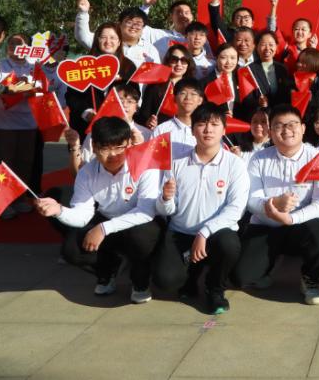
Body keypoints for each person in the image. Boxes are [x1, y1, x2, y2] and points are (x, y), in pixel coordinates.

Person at [33, 116, 161, 303]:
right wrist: (59, 210)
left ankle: (140, 279)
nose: (113, 155)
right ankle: (108, 269)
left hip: (138, 223)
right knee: (72, 250)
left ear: (129, 144)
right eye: (105, 148)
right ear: (93, 147)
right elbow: (82, 214)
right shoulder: (87, 172)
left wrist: (103, 228)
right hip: (107, 219)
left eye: (119, 147)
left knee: (141, 237)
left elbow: (145, 211)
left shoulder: (145, 166)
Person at [230, 105, 319, 305]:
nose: (286, 130)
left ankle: (310, 277)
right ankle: (267, 268)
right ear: (270, 132)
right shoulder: (259, 158)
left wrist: (291, 218)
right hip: (266, 225)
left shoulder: (316, 158)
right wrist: (273, 204)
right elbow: (251, 200)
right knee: (241, 278)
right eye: (279, 126)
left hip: (301, 224)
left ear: (303, 128)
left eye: (292, 124)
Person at [152, 104, 248, 314]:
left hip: (215, 235)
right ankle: (191, 275)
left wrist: (205, 232)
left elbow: (236, 209)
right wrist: (165, 198)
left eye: (214, 124)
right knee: (165, 281)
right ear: (192, 130)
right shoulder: (176, 162)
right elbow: (167, 209)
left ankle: (215, 289)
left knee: (229, 245)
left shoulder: (235, 165)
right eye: (202, 124)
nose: (208, 129)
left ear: (224, 130)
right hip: (181, 233)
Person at [0, 34, 42, 217]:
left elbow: (42, 88)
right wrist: (19, 88)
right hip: (3, 123)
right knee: (2, 165)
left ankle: (18, 199)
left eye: (20, 43)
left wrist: (32, 89)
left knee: (24, 164)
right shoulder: (0, 65)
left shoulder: (34, 67)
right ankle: (0, 204)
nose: (15, 46)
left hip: (28, 123)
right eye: (11, 43)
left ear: (28, 47)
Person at [64, 21, 136, 133]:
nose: (108, 42)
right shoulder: (83, 64)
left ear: (119, 42)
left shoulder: (128, 66)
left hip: (117, 126)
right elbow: (72, 96)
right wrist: (87, 112)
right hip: (86, 126)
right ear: (97, 40)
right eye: (103, 37)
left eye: (113, 38)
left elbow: (135, 93)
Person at [65, 82, 149, 174]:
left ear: (136, 107)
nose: (124, 104)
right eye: (119, 100)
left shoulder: (146, 134)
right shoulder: (96, 132)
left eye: (129, 101)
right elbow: (78, 171)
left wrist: (139, 146)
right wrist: (75, 146)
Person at [75, 0, 161, 67]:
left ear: (143, 27)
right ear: (119, 24)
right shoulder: (108, 42)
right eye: (129, 22)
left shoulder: (150, 49)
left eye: (138, 24)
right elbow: (83, 37)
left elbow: (157, 74)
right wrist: (83, 13)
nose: (133, 26)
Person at [136, 43, 195, 128]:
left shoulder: (193, 87)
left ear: (188, 64)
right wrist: (148, 122)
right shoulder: (155, 86)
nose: (179, 64)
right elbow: (143, 116)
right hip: (159, 132)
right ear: (167, 62)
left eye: (183, 60)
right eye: (174, 60)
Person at [151, 79, 205, 152]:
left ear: (200, 100)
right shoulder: (162, 130)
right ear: (174, 98)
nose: (188, 98)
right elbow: (152, 156)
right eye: (183, 93)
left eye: (193, 94)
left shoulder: (206, 130)